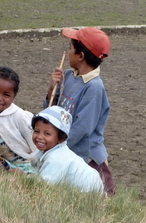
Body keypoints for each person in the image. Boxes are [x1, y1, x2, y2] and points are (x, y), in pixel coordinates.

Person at [45, 27, 115, 195]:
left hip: (87, 160)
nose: (68, 52)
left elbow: (81, 129)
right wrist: (51, 89)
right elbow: (51, 113)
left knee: (101, 205)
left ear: (81, 56)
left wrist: (53, 148)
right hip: (66, 153)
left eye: (70, 48)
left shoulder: (94, 88)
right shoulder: (68, 76)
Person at [30, 106, 103, 193]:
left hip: (87, 190)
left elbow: (43, 186)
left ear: (61, 138)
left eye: (47, 134)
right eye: (37, 131)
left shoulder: (56, 158)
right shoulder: (47, 150)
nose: (39, 137)